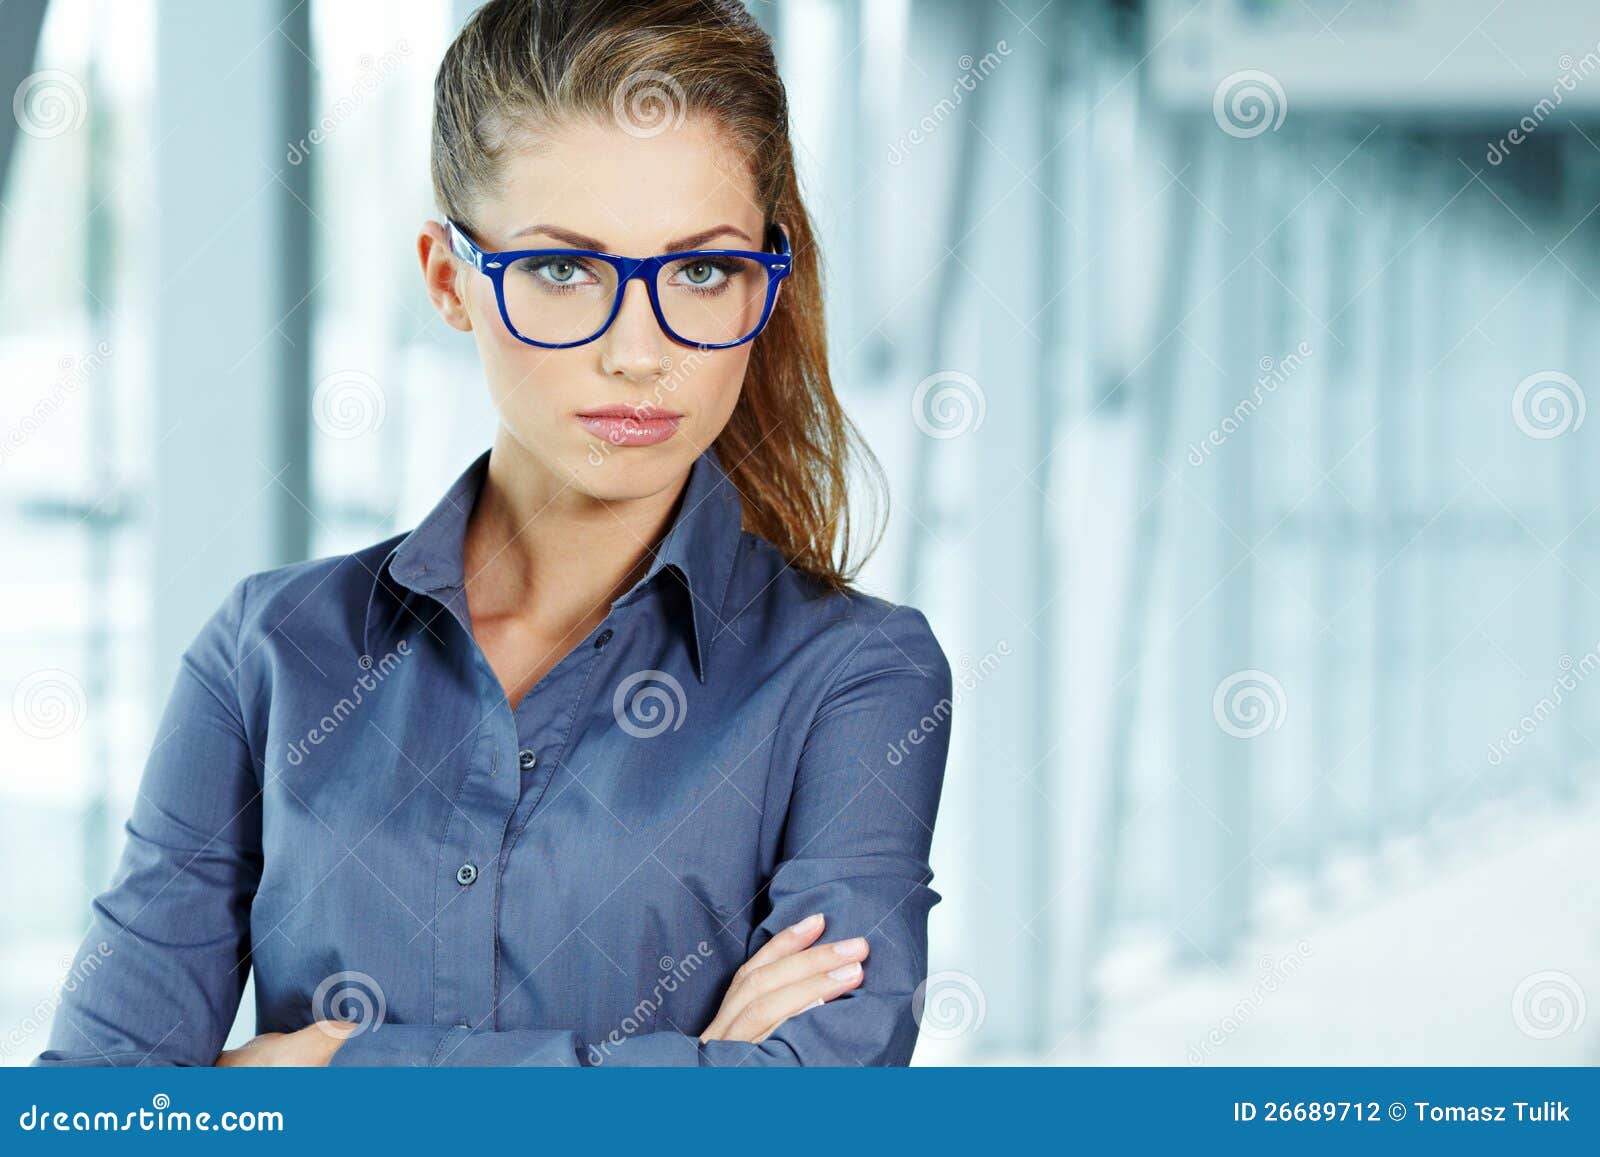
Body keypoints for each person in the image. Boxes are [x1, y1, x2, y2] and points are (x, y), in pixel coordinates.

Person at [36, 0, 953, 1067]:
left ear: (762, 274)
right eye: (564, 271)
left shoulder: (854, 676)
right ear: (448, 278)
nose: (638, 351)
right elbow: (93, 1108)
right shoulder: (273, 649)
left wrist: (329, 1071)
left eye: (701, 271)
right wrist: (692, 1076)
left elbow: (815, 1103)